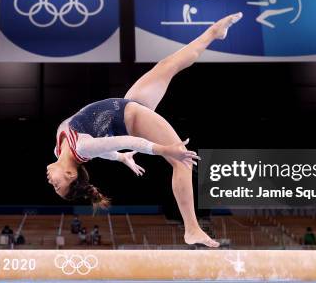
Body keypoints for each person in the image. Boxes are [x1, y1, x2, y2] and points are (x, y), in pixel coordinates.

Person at [46, 12, 243, 247]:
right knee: (182, 161)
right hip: (131, 117)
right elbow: (130, 141)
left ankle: (213, 32)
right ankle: (192, 229)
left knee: (168, 65)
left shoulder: (63, 151)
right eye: (57, 185)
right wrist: (166, 150)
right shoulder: (81, 147)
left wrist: (120, 158)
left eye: (54, 185)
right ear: (71, 175)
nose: (51, 181)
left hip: (128, 105)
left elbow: (103, 148)